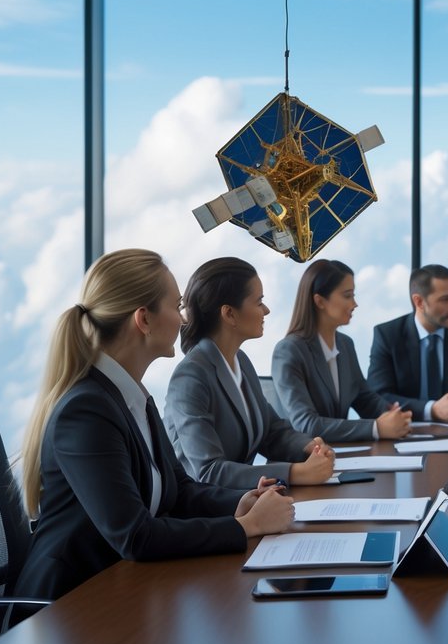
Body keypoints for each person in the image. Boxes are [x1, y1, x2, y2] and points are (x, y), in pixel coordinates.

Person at [15, 249, 294, 601]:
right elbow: (136, 536)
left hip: (123, 589)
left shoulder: (134, 396)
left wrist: (241, 502)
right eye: (177, 306)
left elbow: (181, 490)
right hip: (69, 607)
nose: (183, 320)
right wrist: (247, 526)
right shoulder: (85, 411)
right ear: (143, 320)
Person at [164, 257, 336, 489]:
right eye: (259, 301)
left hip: (245, 504)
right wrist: (296, 473)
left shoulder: (240, 361)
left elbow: (271, 431)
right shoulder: (191, 377)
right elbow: (209, 472)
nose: (266, 310)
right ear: (229, 314)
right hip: (208, 513)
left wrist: (309, 447)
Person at [272, 259, 411, 442]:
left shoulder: (345, 344)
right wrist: (376, 428)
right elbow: (306, 425)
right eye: (347, 296)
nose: (355, 304)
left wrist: (393, 414)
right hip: (305, 462)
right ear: (320, 301)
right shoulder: (289, 351)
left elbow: (364, 398)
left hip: (342, 455)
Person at [368, 264, 448, 420]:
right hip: (402, 433)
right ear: (419, 302)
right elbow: (378, 397)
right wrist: (431, 410)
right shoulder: (388, 335)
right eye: (445, 300)